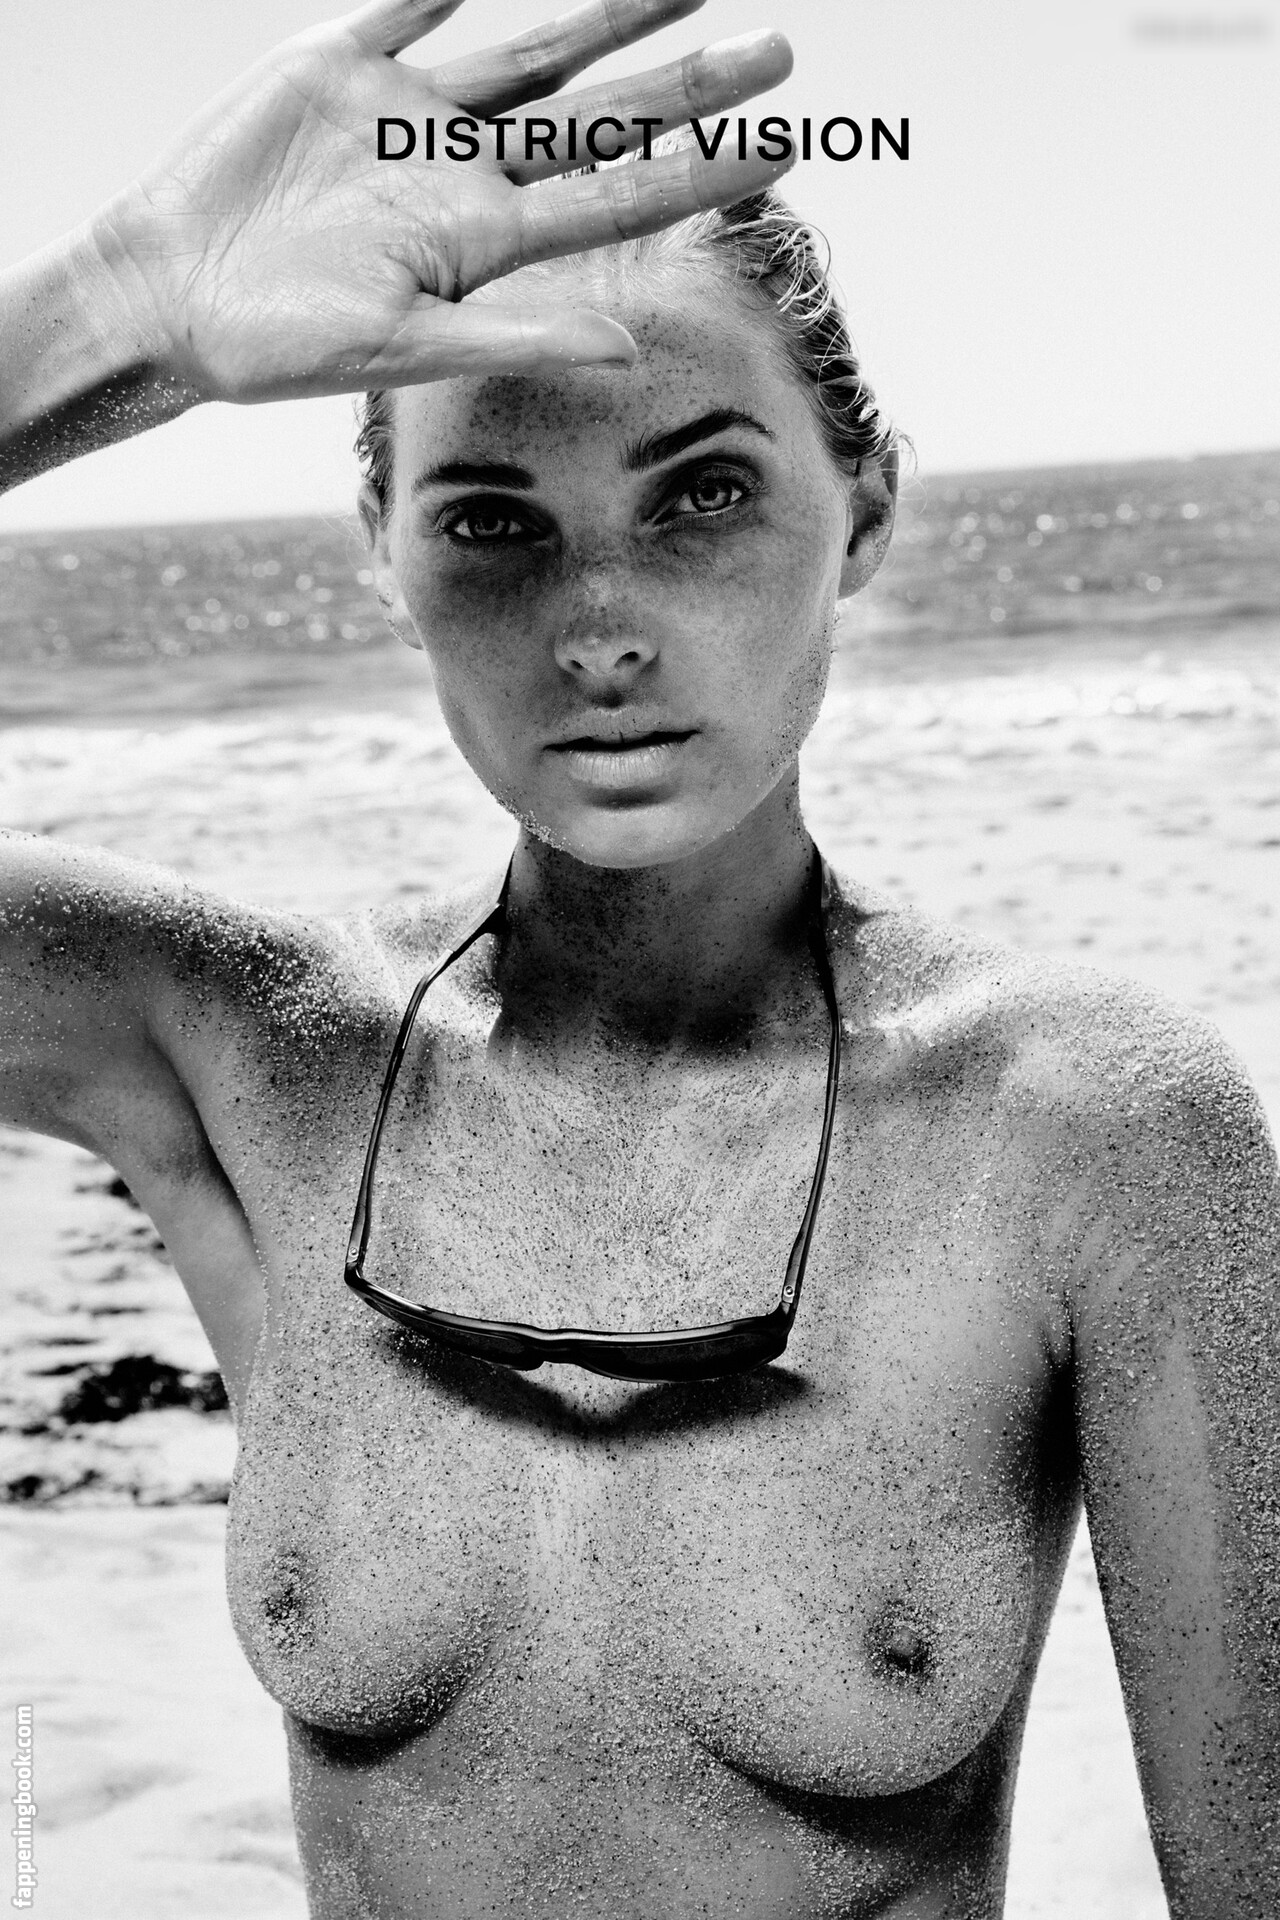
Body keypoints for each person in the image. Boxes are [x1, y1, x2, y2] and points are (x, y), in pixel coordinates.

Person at [2, 0, 1277, 1913]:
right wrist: (120, 308)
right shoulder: (244, 1052)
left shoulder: (1092, 1132)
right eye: (493, 519)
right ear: (383, 550)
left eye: (701, 493)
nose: (598, 624)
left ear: (865, 508)